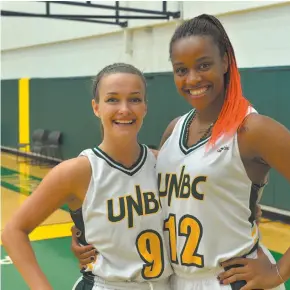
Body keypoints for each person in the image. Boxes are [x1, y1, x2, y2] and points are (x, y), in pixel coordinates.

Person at [72, 14, 290, 290]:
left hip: (228, 281)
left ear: (226, 62)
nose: (192, 79)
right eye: (181, 70)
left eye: (203, 65)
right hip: (177, 281)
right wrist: (90, 234)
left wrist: (278, 273)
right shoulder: (174, 130)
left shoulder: (252, 129)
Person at [1, 63, 173, 290]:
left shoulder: (164, 163)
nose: (124, 109)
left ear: (145, 107)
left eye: (134, 99)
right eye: (112, 99)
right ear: (96, 107)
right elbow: (13, 231)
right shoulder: (77, 171)